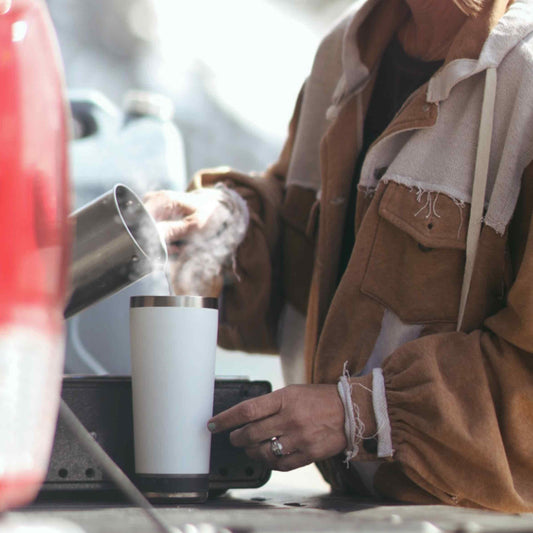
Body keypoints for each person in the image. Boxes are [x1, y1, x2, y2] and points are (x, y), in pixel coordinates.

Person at [144, 0, 533, 512]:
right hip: (355, 510)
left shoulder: (523, 80)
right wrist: (226, 224)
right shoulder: (346, 51)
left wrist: (366, 413)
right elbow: (320, 259)